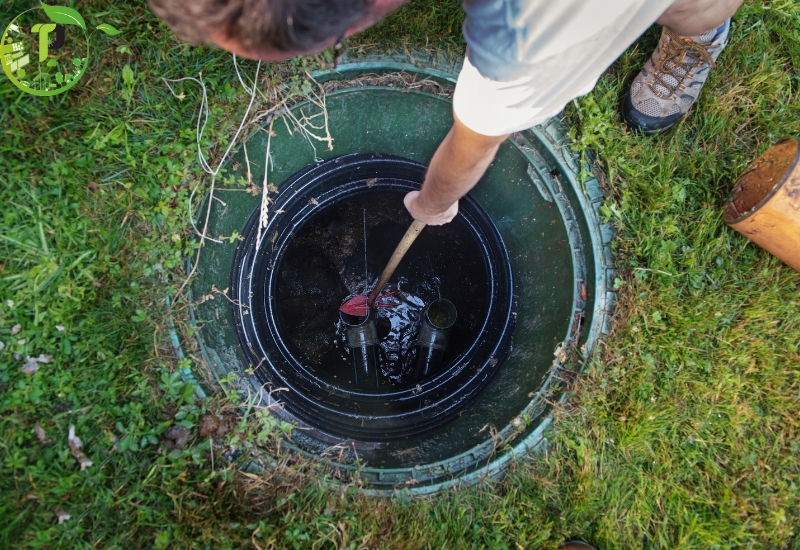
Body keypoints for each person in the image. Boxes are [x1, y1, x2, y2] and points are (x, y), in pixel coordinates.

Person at [149, 0, 742, 225]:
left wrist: (432, 203)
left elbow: (478, 140)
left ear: (360, 18)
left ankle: (700, 29)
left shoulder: (525, 31)